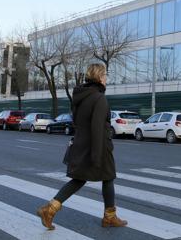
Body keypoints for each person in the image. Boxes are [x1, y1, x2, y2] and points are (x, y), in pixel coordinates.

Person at [37, 63, 127, 230]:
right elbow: (97, 128)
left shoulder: (80, 96)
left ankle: (50, 209)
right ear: (100, 77)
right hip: (98, 146)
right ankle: (110, 217)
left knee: (79, 179)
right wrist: (97, 155)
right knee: (108, 177)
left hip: (81, 143)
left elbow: (77, 121)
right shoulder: (99, 98)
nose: (106, 79)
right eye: (105, 75)